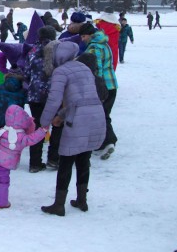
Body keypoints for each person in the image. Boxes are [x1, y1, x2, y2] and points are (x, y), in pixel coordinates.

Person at [40, 41, 106, 216]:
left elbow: (54, 100)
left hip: (78, 119)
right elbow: (82, 98)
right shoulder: (84, 68)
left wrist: (43, 123)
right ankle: (82, 200)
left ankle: (59, 205)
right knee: (84, 158)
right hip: (95, 115)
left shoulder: (60, 72)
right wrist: (61, 116)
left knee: (66, 161)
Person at [24, 26, 61, 172]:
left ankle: (35, 163)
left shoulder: (32, 51)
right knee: (57, 125)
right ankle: (53, 158)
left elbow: (26, 72)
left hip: (35, 95)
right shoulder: (58, 50)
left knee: (38, 128)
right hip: (54, 94)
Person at [80, 22, 118, 160]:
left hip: (103, 86)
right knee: (104, 114)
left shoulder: (94, 48)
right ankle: (105, 142)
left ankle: (108, 142)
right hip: (112, 84)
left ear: (90, 35)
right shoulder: (104, 43)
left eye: (83, 36)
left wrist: (97, 87)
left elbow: (97, 69)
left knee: (101, 116)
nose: (82, 39)